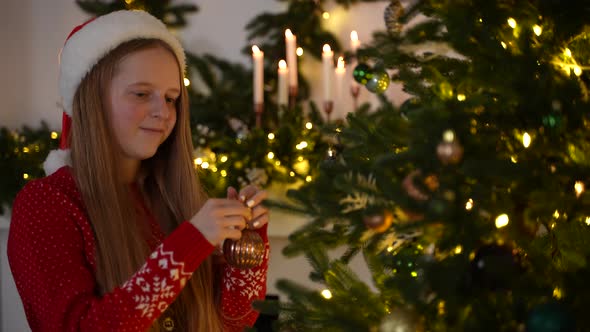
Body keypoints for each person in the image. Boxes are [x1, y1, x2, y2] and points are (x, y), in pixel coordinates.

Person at [7, 10, 270, 332]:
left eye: (172, 98)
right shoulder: (47, 204)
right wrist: (190, 242)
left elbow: (235, 318)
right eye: (142, 94)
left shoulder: (172, 198)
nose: (163, 112)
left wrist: (248, 246)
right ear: (92, 100)